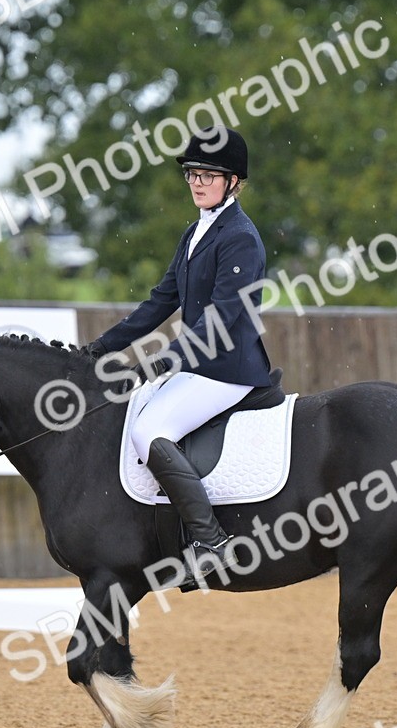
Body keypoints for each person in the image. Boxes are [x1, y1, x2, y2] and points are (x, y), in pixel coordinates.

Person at [87, 126, 273, 578]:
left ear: (234, 182)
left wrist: (163, 359)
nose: (197, 182)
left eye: (208, 174)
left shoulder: (241, 238)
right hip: (198, 365)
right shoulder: (196, 231)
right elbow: (160, 301)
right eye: (192, 173)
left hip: (228, 369)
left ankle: (211, 541)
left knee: (149, 431)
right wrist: (100, 347)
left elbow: (223, 318)